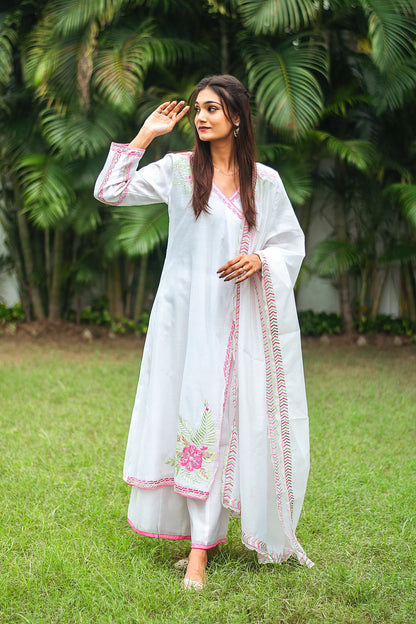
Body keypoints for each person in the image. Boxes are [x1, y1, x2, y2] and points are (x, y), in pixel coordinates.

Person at [94, 74, 313, 589]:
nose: (202, 116)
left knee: (220, 422)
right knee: (191, 419)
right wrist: (145, 135)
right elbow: (109, 192)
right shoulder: (176, 172)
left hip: (237, 324)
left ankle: (199, 550)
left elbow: (290, 245)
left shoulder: (266, 182)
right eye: (198, 109)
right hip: (182, 324)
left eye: (213, 108)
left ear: (237, 116)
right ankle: (200, 540)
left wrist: (259, 258)